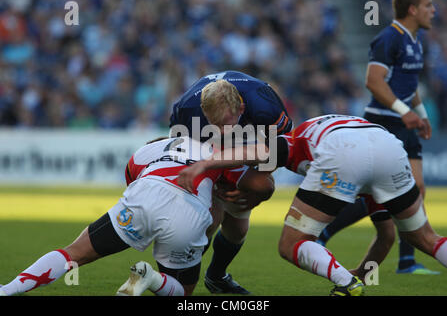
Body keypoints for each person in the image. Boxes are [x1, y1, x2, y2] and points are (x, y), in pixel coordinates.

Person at [178, 114, 447, 296]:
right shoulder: (342, 129)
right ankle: (349, 282)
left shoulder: (295, 139)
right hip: (389, 147)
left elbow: (257, 152)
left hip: (344, 148)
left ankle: (345, 284)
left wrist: (206, 163)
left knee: (291, 243)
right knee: (424, 237)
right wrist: (363, 274)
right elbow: (386, 236)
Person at [0, 136, 273, 296]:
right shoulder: (218, 156)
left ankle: (8, 289)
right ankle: (150, 278)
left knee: (75, 252)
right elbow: (253, 172)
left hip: (146, 196)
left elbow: (131, 179)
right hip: (188, 213)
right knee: (182, 292)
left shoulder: (149, 150)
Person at [317, 0, 439, 275]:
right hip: (384, 123)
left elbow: (410, 84)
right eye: (428, 5)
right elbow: (373, 81)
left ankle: (407, 260)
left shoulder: (414, 40)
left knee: (415, 189)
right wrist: (403, 111)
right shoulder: (389, 38)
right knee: (384, 193)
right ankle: (324, 232)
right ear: (412, 9)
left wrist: (420, 114)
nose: (434, 10)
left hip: (406, 124)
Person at [168, 70, 293, 294]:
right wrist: (213, 183)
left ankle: (216, 276)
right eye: (213, 124)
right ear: (204, 112)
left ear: (242, 109)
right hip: (206, 155)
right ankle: (174, 281)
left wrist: (253, 191)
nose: (220, 131)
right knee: (207, 222)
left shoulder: (265, 105)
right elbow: (181, 151)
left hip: (249, 151)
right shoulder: (188, 108)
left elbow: (284, 150)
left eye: (225, 123)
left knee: (257, 196)